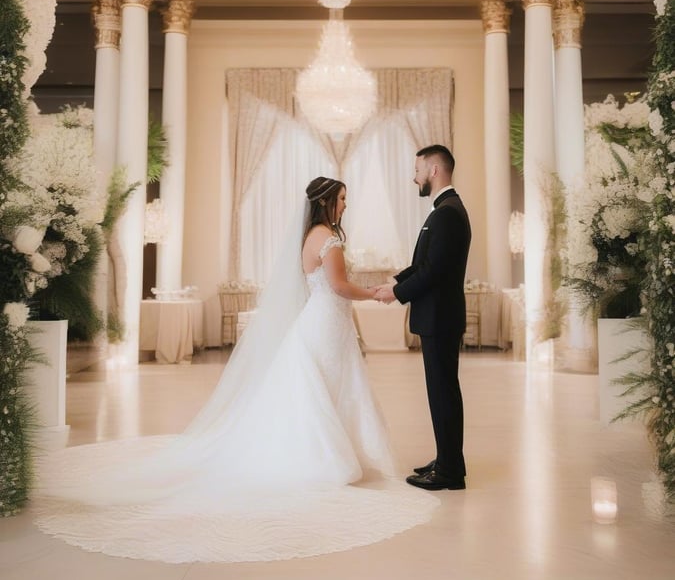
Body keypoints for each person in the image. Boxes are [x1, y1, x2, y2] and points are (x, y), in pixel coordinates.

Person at [34, 176, 437, 564]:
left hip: (324, 321)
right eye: (343, 198)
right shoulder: (326, 238)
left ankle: (330, 448)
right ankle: (322, 456)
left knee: (330, 383)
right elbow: (338, 286)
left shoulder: (310, 235)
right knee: (325, 384)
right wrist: (379, 294)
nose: (347, 205)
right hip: (326, 320)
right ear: (327, 201)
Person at [375, 145, 471, 491]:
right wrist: (396, 282)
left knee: (443, 394)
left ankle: (448, 473)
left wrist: (397, 294)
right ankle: (448, 460)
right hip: (439, 317)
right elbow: (424, 266)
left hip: (440, 318)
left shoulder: (446, 212)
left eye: (417, 169)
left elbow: (433, 273)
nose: (413, 175)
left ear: (434, 170)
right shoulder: (445, 210)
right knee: (441, 393)